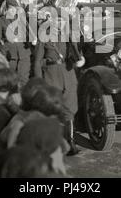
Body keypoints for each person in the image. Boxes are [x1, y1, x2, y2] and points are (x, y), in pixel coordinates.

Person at [33, 15, 85, 156]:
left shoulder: (68, 37)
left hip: (68, 73)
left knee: (70, 109)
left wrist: (79, 57)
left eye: (61, 21)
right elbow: (37, 61)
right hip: (51, 73)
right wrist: (39, 80)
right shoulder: (44, 38)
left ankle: (70, 142)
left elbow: (76, 54)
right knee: (52, 108)